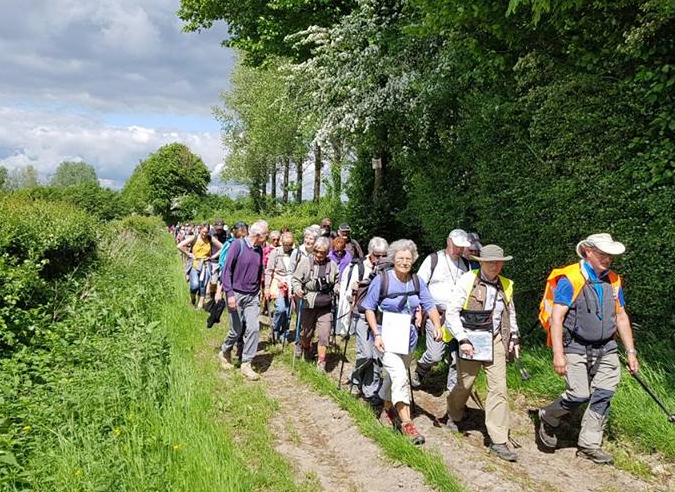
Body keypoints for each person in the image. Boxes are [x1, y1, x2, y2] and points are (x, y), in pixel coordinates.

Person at [537, 233, 638, 465]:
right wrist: (558, 354)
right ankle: (548, 416)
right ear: (588, 252)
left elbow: (621, 316)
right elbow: (556, 318)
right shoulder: (570, 278)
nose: (608, 259)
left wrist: (631, 352)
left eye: (610, 255)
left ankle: (589, 445)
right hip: (575, 346)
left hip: (607, 348)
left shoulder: (613, 280)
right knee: (578, 394)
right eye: (603, 254)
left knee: (604, 394)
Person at [362, 239, 443, 445]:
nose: (404, 262)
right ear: (393, 259)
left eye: (408, 259)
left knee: (393, 377)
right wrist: (376, 334)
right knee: (400, 376)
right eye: (400, 258)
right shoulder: (382, 280)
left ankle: (385, 405)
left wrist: (437, 325)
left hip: (407, 338)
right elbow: (369, 308)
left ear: (413, 260)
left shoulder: (417, 282)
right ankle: (407, 424)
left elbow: (429, 304)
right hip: (384, 335)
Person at [445, 244, 520, 462]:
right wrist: (462, 339)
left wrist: (514, 337)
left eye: (498, 262)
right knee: (464, 384)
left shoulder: (506, 285)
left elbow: (510, 312)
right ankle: (454, 414)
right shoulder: (468, 280)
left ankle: (498, 440)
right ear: (482, 263)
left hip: (496, 340)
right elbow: (452, 312)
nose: (495, 266)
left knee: (499, 388)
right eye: (490, 262)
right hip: (471, 338)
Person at [411, 229, 471, 391]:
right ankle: (420, 370)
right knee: (435, 354)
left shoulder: (465, 264)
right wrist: (419, 309)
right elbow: (419, 285)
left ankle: (453, 396)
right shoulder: (433, 259)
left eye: (462, 247)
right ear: (448, 241)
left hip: (457, 317)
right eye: (457, 245)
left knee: (455, 357)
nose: (459, 249)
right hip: (436, 314)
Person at [338, 236, 389, 404]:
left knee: (378, 356)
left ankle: (370, 389)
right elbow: (346, 293)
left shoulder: (389, 268)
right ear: (370, 253)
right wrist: (354, 290)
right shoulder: (358, 267)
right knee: (366, 354)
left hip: (381, 318)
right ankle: (356, 379)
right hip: (361, 315)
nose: (380, 259)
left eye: (384, 255)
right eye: (377, 255)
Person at [218, 220, 269, 381]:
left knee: (253, 328)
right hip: (236, 294)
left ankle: (246, 364)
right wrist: (230, 294)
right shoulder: (237, 246)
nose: (267, 237)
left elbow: (258, 271)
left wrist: (260, 291)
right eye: (266, 234)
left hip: (252, 296)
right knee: (236, 330)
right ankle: (225, 350)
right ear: (258, 235)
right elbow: (226, 271)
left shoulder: (259, 250)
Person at [292, 236, 339, 372]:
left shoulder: (332, 265)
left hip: (325, 304)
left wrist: (337, 289)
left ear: (327, 252)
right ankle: (306, 347)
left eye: (322, 252)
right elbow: (295, 279)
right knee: (306, 333)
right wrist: (298, 289)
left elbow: (337, 281)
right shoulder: (306, 262)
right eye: (317, 251)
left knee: (324, 334)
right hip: (308, 302)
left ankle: (321, 362)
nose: (319, 255)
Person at [177, 222, 223, 309]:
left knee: (203, 286)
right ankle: (192, 299)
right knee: (194, 285)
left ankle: (200, 307)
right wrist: (188, 254)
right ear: (199, 230)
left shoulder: (210, 239)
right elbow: (179, 246)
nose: (205, 234)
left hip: (206, 265)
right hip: (195, 264)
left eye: (206, 232)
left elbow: (223, 247)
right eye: (203, 232)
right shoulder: (193, 238)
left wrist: (213, 256)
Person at [264, 232, 296, 342]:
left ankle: (284, 333)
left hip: (291, 283)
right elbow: (269, 271)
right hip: (278, 282)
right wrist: (267, 286)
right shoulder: (275, 253)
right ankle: (275, 329)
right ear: (282, 242)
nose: (288, 246)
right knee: (280, 308)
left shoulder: (295, 253)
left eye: (290, 244)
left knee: (289, 310)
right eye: (286, 244)